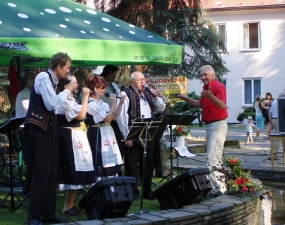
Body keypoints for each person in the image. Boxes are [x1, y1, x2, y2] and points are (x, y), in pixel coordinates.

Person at [24, 52, 77, 225]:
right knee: (41, 172)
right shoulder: (43, 77)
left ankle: (48, 213)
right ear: (59, 66)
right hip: (39, 129)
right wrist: (67, 91)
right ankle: (34, 216)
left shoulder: (55, 82)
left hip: (50, 129)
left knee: (51, 172)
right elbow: (51, 104)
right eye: (67, 68)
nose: (68, 72)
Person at [174, 65, 228, 197]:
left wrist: (210, 96)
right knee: (214, 156)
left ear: (213, 74)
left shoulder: (217, 86)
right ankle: (219, 187)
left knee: (212, 157)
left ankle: (219, 190)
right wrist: (185, 98)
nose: (203, 77)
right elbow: (200, 104)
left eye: (205, 75)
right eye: (201, 75)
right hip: (210, 125)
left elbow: (222, 105)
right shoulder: (206, 88)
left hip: (217, 125)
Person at [116, 71, 165, 200]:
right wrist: (128, 136)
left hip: (148, 131)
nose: (143, 82)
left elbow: (161, 108)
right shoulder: (125, 93)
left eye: (143, 79)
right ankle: (132, 191)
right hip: (134, 131)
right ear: (132, 81)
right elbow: (122, 117)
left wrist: (156, 98)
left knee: (148, 163)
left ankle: (147, 190)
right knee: (132, 164)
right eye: (139, 80)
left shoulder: (148, 93)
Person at [57, 76, 92, 216]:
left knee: (80, 169)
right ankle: (67, 205)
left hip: (76, 136)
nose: (77, 85)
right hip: (68, 138)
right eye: (74, 82)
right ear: (66, 86)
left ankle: (71, 204)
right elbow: (82, 115)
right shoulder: (64, 101)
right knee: (72, 169)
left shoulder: (72, 100)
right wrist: (85, 97)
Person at [85, 75, 125, 182]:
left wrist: (119, 103)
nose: (105, 90)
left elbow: (114, 117)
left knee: (111, 162)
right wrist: (113, 103)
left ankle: (111, 186)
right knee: (99, 161)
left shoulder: (102, 103)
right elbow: (107, 118)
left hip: (107, 132)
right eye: (102, 87)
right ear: (95, 89)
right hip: (98, 133)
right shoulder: (91, 104)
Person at [100, 65, 126, 175]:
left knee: (118, 147)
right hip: (104, 119)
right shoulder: (102, 86)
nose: (114, 77)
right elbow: (106, 103)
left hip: (114, 118)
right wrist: (114, 104)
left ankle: (117, 172)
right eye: (113, 74)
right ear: (107, 73)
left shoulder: (113, 86)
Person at [144, 73, 166, 178]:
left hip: (154, 122)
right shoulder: (141, 93)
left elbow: (161, 108)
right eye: (146, 82)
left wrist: (157, 97)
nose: (148, 84)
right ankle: (145, 172)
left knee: (156, 147)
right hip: (144, 124)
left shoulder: (151, 92)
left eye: (149, 81)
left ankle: (159, 170)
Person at [15, 76, 34, 195]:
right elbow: (30, 112)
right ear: (30, 83)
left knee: (33, 159)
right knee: (30, 159)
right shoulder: (24, 95)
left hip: (30, 130)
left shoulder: (30, 93)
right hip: (25, 130)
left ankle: (31, 186)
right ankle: (27, 189)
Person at [269, 91, 285, 157]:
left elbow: (270, 113)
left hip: (275, 120)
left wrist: (270, 122)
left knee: (280, 136)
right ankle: (272, 154)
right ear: (283, 96)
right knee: (278, 137)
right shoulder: (280, 102)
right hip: (279, 120)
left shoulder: (274, 101)